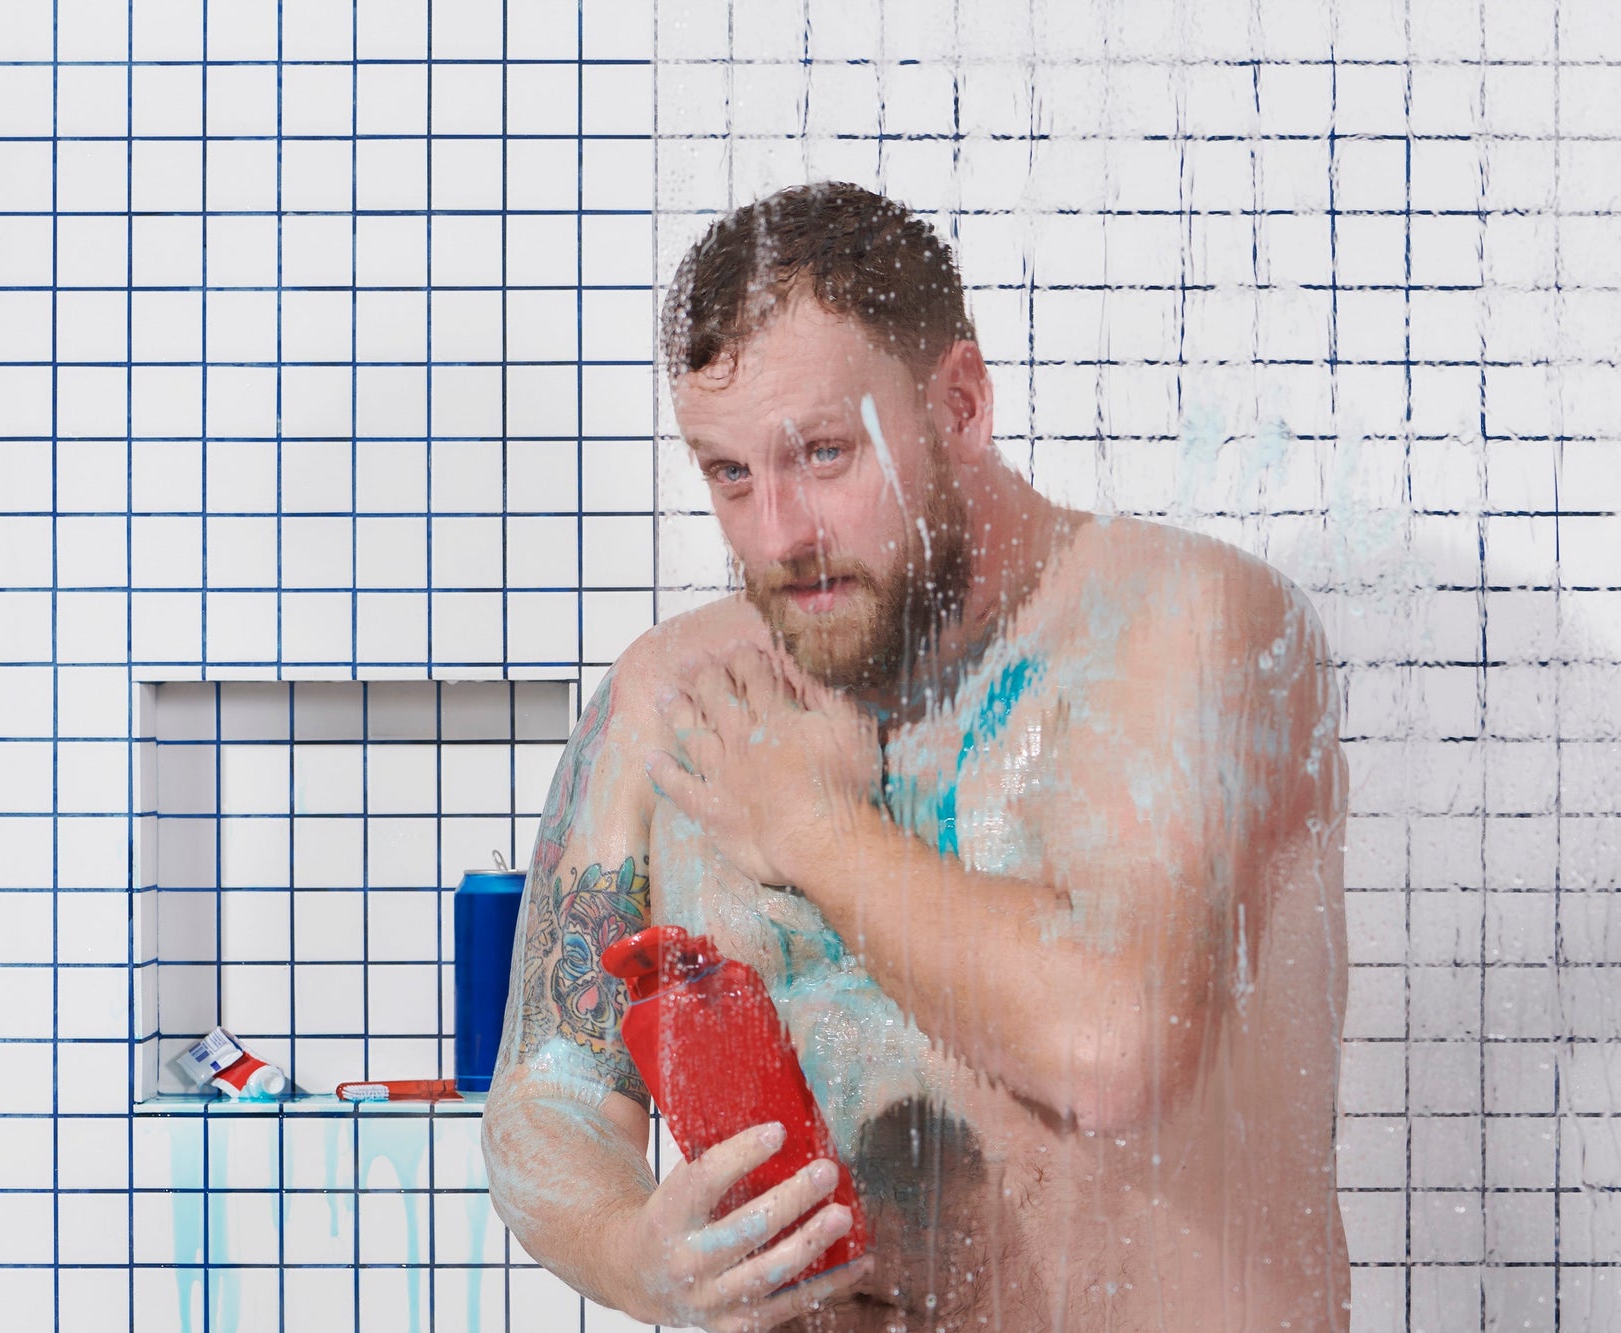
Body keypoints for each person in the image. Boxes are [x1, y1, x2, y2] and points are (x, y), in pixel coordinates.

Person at [482, 181, 1349, 1332]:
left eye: (824, 454)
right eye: (728, 474)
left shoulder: (1183, 629)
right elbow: (549, 1090)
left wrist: (812, 831)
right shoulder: (674, 695)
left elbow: (1112, 1049)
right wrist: (629, 1254)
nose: (777, 531)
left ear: (959, 403)